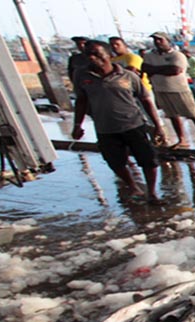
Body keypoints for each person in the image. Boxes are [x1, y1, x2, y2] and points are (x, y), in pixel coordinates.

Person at [71, 40, 166, 203]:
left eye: (97, 54)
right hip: (105, 127)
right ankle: (134, 186)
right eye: (89, 55)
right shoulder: (82, 76)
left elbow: (145, 99)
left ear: (109, 55)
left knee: (148, 159)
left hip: (133, 124)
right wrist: (77, 124)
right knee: (115, 161)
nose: (93, 58)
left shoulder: (128, 76)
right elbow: (81, 100)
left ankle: (151, 192)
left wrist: (158, 126)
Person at [143, 32, 195, 152]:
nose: (157, 42)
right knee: (172, 115)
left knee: (193, 114)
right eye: (155, 40)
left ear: (168, 41)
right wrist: (163, 68)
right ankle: (182, 139)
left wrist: (155, 69)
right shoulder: (149, 56)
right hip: (160, 89)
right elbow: (145, 68)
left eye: (160, 40)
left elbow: (175, 70)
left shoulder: (177, 55)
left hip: (179, 89)